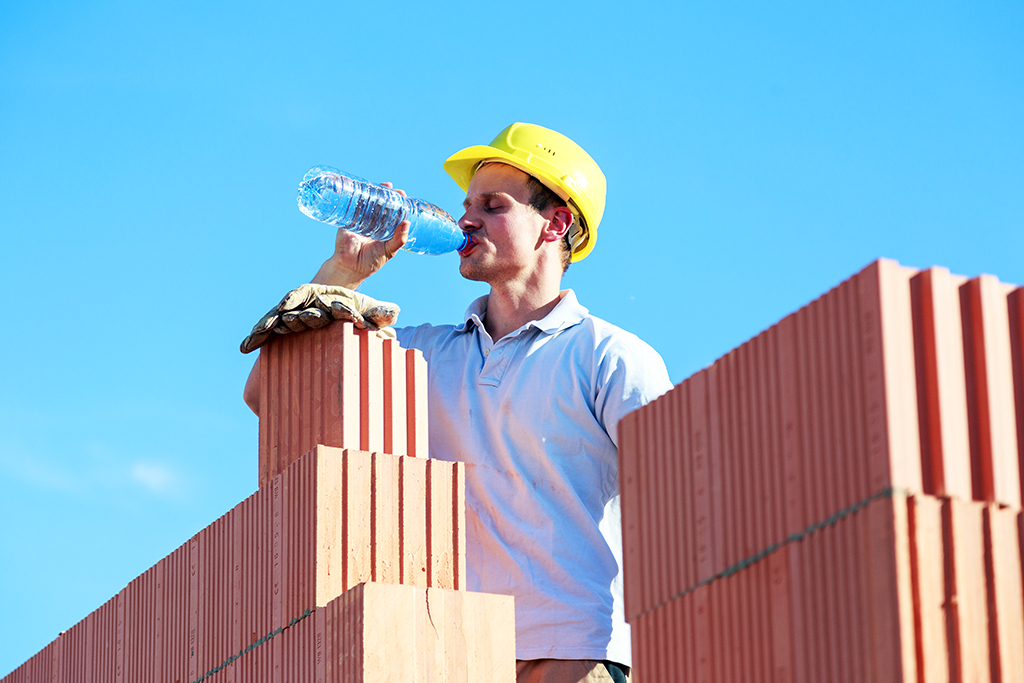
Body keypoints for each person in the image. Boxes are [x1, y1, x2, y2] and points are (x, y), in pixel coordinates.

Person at [245, 123, 671, 683]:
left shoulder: (609, 355)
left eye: (493, 206)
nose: (466, 220)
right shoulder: (421, 352)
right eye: (466, 205)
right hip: (456, 657)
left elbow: (676, 499)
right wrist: (343, 275)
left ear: (557, 223)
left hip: (576, 653)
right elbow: (268, 395)